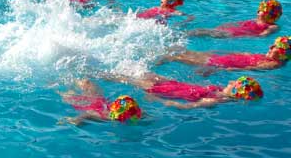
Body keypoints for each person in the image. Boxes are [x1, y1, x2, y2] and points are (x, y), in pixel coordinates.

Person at [105, 73, 263, 109]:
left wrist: (158, 100)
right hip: (174, 85)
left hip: (166, 92)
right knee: (142, 74)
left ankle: (99, 74)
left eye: (233, 83)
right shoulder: (220, 90)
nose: (230, 81)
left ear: (236, 90)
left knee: (126, 78)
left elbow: (185, 106)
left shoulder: (214, 100)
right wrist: (167, 80)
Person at [160, 36, 290, 72]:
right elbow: (245, 54)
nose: (271, 47)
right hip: (228, 58)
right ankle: (169, 49)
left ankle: (169, 57)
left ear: (284, 54)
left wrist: (224, 69)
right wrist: (226, 52)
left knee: (185, 59)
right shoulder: (269, 58)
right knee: (194, 54)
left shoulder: (274, 64)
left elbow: (251, 68)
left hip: (225, 63)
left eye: (275, 47)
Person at [59, 79, 142, 125]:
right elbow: (87, 114)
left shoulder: (132, 111)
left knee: (66, 92)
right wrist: (75, 120)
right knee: (87, 82)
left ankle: (63, 80)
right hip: (91, 101)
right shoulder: (105, 116)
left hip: (96, 101)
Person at [188, 0, 282, 38]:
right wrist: (227, 25)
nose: (259, 13)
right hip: (234, 29)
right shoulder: (254, 20)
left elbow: (263, 35)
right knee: (204, 31)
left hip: (237, 33)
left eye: (262, 12)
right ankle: (185, 35)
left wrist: (249, 36)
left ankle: (184, 35)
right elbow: (240, 23)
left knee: (206, 32)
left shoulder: (273, 26)